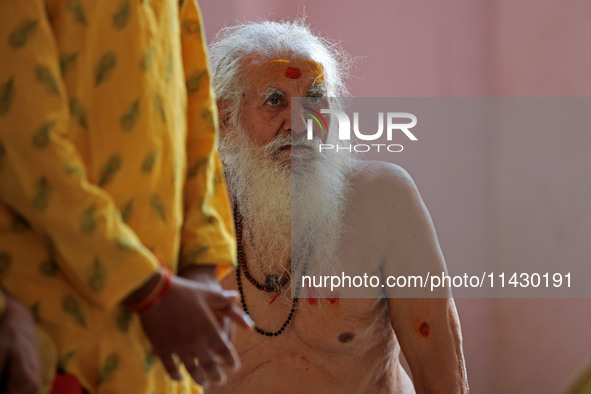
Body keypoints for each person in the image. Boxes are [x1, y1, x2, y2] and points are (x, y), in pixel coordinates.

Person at [0, 1, 252, 393]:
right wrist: (148, 288)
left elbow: (200, 125)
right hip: (57, 329)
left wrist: (199, 270)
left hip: (163, 342)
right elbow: (24, 145)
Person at [206, 20, 469, 393]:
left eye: (314, 97)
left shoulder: (383, 199)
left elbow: (440, 367)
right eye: (275, 100)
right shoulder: (195, 214)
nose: (300, 124)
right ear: (226, 120)